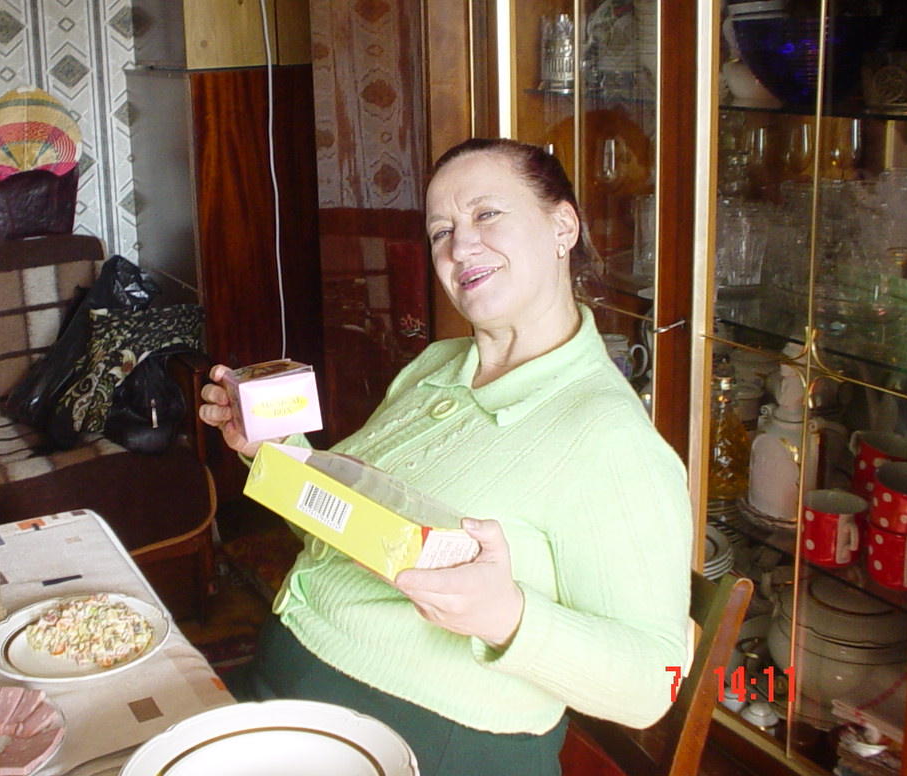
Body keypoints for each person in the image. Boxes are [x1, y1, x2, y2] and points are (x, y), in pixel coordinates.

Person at [199, 139, 691, 776]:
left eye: (487, 214)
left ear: (563, 226)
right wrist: (272, 449)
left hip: (427, 746)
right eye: (441, 232)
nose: (460, 248)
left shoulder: (610, 438)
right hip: (288, 695)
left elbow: (655, 681)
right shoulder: (437, 366)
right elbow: (343, 529)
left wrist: (505, 616)